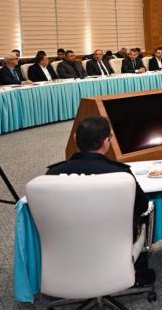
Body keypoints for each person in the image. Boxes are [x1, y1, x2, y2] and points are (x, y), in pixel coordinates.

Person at [46, 116, 154, 285]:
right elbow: (142, 206)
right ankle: (138, 272)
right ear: (106, 142)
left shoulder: (52, 175)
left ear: (75, 138)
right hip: (113, 243)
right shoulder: (120, 174)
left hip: (68, 244)